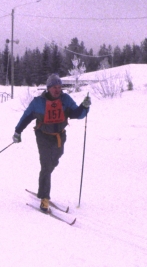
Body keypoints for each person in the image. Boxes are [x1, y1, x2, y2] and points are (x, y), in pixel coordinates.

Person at [13, 74, 91, 212]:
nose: (57, 90)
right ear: (48, 88)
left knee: (53, 162)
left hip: (59, 137)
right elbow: (26, 117)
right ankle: (44, 198)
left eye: (59, 87)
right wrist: (18, 131)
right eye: (54, 87)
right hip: (43, 137)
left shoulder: (65, 100)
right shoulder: (38, 102)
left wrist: (84, 107)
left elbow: (76, 114)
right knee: (46, 165)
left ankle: (44, 180)